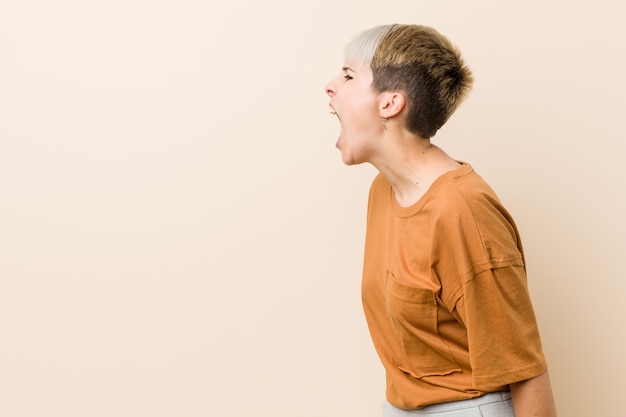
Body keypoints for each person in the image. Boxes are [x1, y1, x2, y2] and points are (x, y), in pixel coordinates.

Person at [324, 24, 557, 417]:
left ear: (390, 103)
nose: (331, 86)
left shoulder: (463, 210)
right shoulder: (383, 191)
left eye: (348, 75)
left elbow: (527, 371)